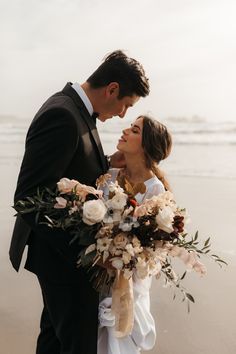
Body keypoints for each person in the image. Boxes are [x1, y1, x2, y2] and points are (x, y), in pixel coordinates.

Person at [9, 50, 150, 354]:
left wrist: (106, 164)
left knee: (54, 341)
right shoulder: (62, 114)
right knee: (78, 345)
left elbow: (67, 171)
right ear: (112, 89)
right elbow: (28, 198)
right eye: (126, 104)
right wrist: (89, 252)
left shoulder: (79, 111)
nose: (124, 114)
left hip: (63, 260)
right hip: (64, 260)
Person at [97, 115, 172, 354]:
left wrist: (125, 260)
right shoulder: (108, 175)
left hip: (129, 280)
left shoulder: (155, 190)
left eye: (135, 129)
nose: (126, 130)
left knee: (119, 339)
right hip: (98, 273)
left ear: (146, 145)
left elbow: (154, 248)